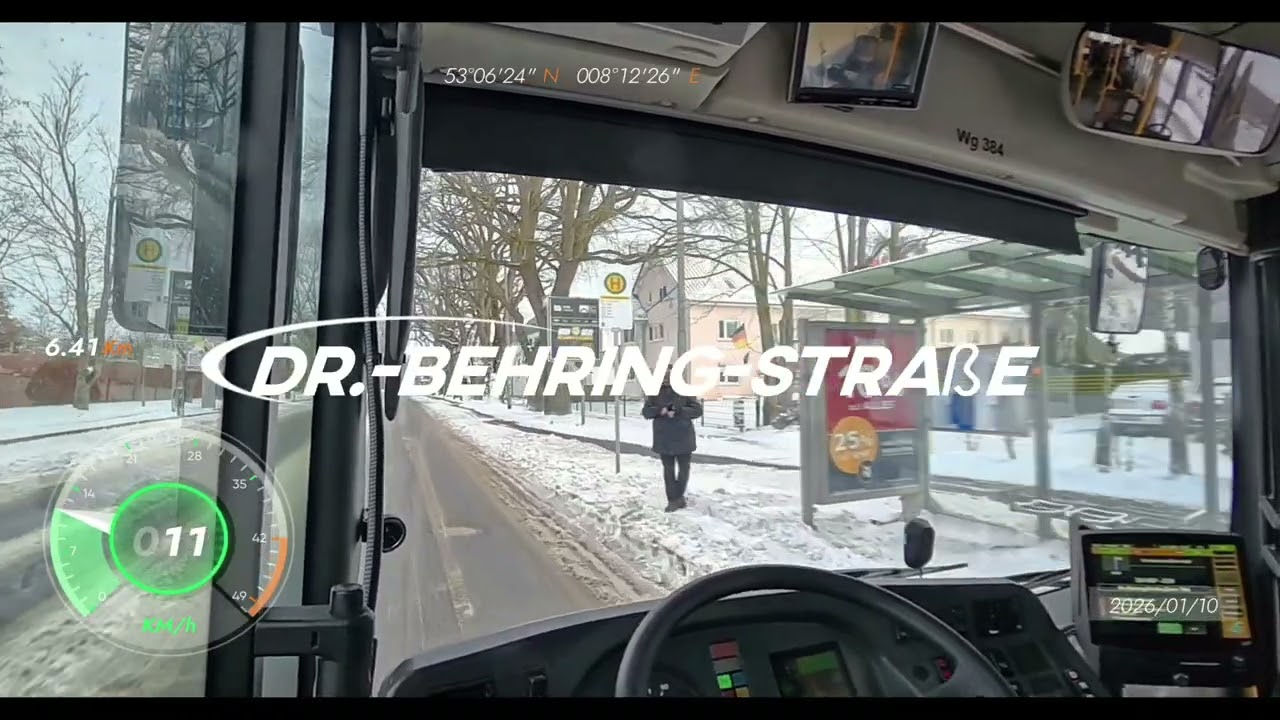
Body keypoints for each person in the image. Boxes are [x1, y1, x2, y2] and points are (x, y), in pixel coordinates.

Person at [642, 370, 704, 512]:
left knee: (683, 468)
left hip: (683, 435)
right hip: (664, 437)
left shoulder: (685, 390)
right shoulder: (654, 392)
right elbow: (646, 412)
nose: (666, 379)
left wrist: (679, 411)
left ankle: (678, 497)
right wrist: (660, 411)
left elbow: (697, 410)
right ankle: (673, 500)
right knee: (668, 469)